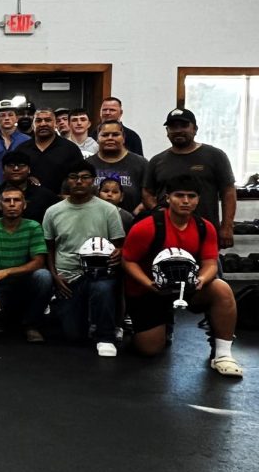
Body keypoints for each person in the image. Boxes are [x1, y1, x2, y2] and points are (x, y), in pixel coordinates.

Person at [120, 175, 242, 376]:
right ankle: (158, 324)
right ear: (168, 198)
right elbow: (128, 261)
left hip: (187, 286)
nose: (185, 201)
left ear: (198, 200)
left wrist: (201, 280)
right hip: (150, 289)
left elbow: (210, 263)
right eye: (179, 196)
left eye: (191, 196)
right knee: (149, 349)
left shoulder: (205, 227)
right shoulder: (147, 227)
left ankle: (222, 354)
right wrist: (149, 283)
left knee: (221, 288)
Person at [42, 161, 126, 357]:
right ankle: (80, 320)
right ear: (67, 181)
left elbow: (120, 244)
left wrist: (119, 252)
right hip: (68, 277)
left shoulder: (108, 210)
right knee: (73, 335)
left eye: (85, 177)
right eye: (73, 177)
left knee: (103, 289)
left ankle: (106, 336)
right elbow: (49, 248)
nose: (79, 181)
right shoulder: (53, 211)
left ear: (93, 181)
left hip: (100, 273)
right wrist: (55, 276)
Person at [142, 108, 236, 248]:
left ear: (195, 129)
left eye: (184, 125)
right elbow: (147, 192)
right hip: (166, 234)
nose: (178, 130)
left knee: (209, 268)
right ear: (167, 131)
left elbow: (228, 191)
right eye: (173, 127)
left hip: (205, 232)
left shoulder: (215, 156)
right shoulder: (157, 161)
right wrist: (157, 210)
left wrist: (227, 227)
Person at [0, 186, 52, 342]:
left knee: (44, 276)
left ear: (24, 205)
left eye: (17, 200)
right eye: (7, 200)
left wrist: (7, 271)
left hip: (24, 283)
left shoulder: (33, 227)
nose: (12, 204)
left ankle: (31, 325)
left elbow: (39, 262)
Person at [0, 151, 60, 224]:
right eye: (11, 165)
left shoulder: (45, 196)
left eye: (21, 165)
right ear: (3, 170)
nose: (16, 168)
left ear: (29, 169)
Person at [17, 109, 84, 194]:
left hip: (61, 202)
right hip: (29, 202)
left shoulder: (70, 149)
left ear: (56, 124)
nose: (43, 124)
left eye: (48, 120)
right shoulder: (21, 149)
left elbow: (80, 177)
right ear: (33, 125)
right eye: (38, 121)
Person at [88, 120, 148, 214]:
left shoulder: (141, 164)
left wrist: (135, 215)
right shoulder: (87, 164)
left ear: (123, 138)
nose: (110, 138)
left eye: (115, 134)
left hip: (130, 223)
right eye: (105, 135)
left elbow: (150, 196)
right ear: (97, 138)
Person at [0, 100, 30, 185]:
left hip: (21, 189)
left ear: (16, 118)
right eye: (2, 115)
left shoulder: (27, 140)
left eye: (10, 115)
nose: (7, 118)